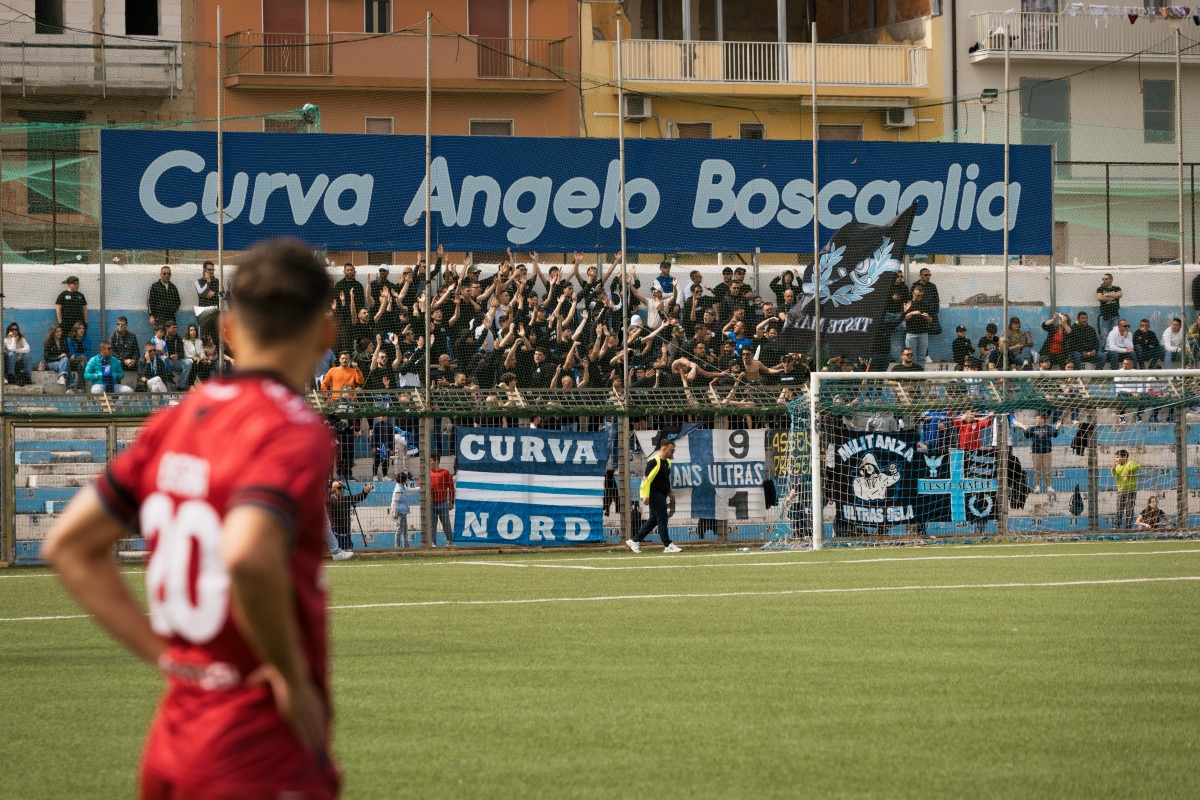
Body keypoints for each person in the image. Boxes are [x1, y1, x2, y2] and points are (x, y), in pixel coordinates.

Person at [42, 238, 343, 799]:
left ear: (226, 330)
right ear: (326, 334)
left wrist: (165, 657)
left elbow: (69, 545)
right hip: (256, 748)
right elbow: (249, 556)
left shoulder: (175, 424)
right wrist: (289, 673)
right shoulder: (293, 430)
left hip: (174, 740)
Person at [628, 436, 682, 553]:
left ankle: (635, 540)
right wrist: (645, 496)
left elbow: (666, 478)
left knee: (653, 520)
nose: (673, 452)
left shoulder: (667, 462)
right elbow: (645, 479)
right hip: (654, 494)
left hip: (662, 494)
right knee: (662, 519)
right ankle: (667, 545)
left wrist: (670, 491)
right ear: (663, 449)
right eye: (671, 450)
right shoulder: (653, 462)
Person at [1015, 413, 1061, 496]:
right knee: (1037, 471)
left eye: (1037, 418)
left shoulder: (1048, 427)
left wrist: (1057, 427)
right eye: (1035, 418)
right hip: (1036, 452)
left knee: (1047, 471)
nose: (1036, 420)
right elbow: (1027, 436)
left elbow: (1054, 435)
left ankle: (1049, 487)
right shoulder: (1033, 428)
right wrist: (1024, 430)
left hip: (1047, 452)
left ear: (1042, 419)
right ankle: (1037, 487)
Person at [328, 479, 372, 553]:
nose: (342, 490)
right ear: (333, 489)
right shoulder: (330, 501)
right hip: (335, 532)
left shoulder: (347, 499)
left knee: (348, 551)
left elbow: (359, 497)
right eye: (339, 488)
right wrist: (329, 492)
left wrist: (364, 492)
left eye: (343, 487)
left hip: (346, 531)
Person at [429, 455, 456, 547]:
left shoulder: (445, 473)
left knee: (446, 523)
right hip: (431, 503)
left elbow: (451, 488)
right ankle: (432, 543)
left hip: (442, 502)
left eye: (431, 460)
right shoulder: (427, 473)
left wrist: (451, 501)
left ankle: (450, 541)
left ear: (436, 461)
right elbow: (421, 486)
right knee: (432, 524)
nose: (429, 462)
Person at [1096, 272, 1123, 359]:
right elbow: (1099, 298)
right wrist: (1113, 297)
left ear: (1111, 280)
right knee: (1104, 336)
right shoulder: (1100, 289)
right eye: (1103, 279)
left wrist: (1107, 295)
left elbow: (1120, 294)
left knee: (1115, 335)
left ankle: (1113, 353)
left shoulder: (1116, 288)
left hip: (1115, 316)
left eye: (1106, 279)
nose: (1104, 280)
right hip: (1104, 317)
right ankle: (1102, 354)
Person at [1111, 449, 1140, 530]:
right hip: (1121, 491)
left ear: (1124, 457)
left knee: (1129, 509)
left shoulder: (1130, 463)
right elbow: (1114, 474)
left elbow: (1137, 466)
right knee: (1119, 509)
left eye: (1117, 457)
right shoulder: (1118, 467)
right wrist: (1113, 469)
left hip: (1131, 490)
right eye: (1115, 457)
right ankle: (1116, 525)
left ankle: (1128, 526)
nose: (1116, 459)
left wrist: (1129, 470)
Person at [390, 472, 411, 547]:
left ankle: (406, 544)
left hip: (403, 511)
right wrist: (395, 513)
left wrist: (419, 488)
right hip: (399, 512)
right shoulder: (398, 489)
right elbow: (394, 502)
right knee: (399, 529)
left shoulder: (402, 487)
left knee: (405, 529)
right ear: (404, 480)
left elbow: (409, 490)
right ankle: (397, 545)